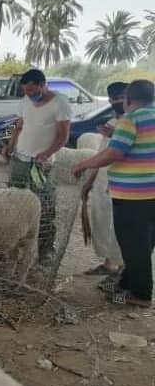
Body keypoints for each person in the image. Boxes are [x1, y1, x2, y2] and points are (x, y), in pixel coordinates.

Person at [73, 80, 155, 307]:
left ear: (129, 98)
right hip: (151, 194)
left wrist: (83, 164)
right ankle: (125, 283)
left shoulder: (132, 119)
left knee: (133, 245)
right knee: (143, 243)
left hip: (133, 195)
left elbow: (114, 153)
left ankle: (140, 294)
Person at [3, 69, 71, 265]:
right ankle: (14, 246)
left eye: (33, 91)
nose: (29, 95)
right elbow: (19, 126)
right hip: (20, 160)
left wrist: (47, 154)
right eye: (26, 91)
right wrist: (9, 146)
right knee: (13, 201)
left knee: (45, 206)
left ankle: (45, 251)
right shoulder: (25, 102)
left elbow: (63, 135)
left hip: (42, 164)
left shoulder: (60, 103)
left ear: (43, 85)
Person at [81, 82, 127, 286]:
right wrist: (89, 182)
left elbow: (124, 152)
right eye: (112, 99)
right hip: (103, 181)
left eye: (119, 98)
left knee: (120, 227)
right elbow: (102, 155)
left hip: (123, 184)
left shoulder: (134, 123)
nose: (115, 102)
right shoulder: (112, 122)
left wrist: (114, 135)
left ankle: (123, 269)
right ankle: (109, 264)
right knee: (103, 223)